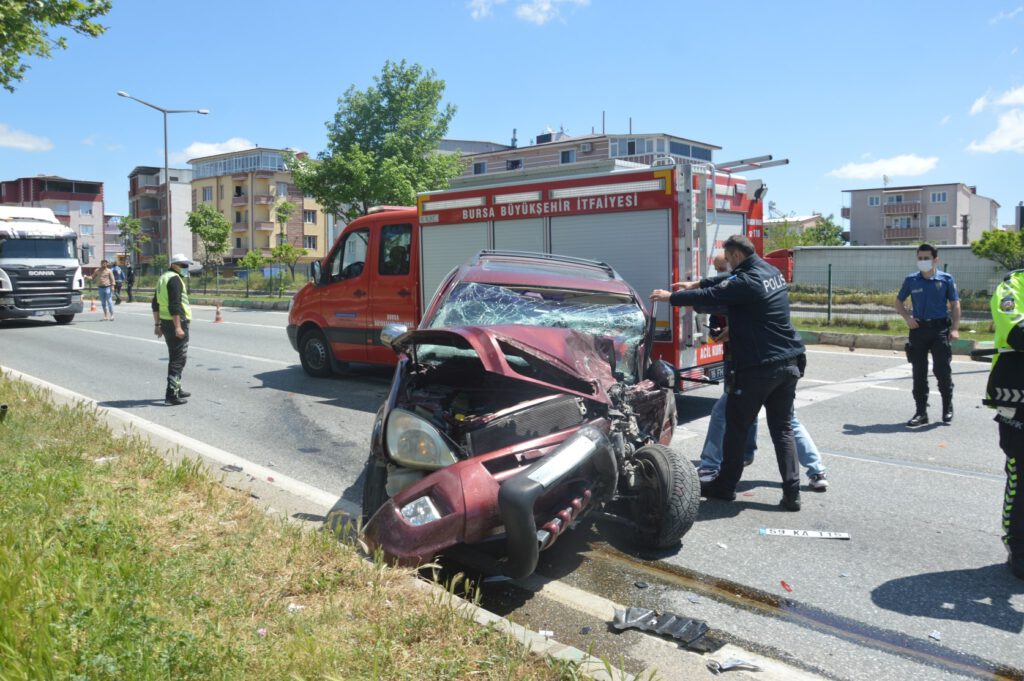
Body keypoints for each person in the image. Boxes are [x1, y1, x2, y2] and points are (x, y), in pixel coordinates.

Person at [652, 234, 806, 511]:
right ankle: (792, 492)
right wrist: (695, 282)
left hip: (759, 366)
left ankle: (724, 487)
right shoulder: (771, 271)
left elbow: (715, 294)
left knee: (736, 428)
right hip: (789, 362)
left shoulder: (746, 281)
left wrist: (672, 296)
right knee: (782, 429)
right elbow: (724, 285)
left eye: (728, 261)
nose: (728, 267)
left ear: (735, 256)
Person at [983, 271, 1024, 580]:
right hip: (1018, 395)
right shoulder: (1014, 285)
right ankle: (1019, 549)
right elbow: (1016, 332)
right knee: (1020, 476)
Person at [894, 244, 960, 427]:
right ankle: (921, 413)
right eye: (920, 258)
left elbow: (955, 304)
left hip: (939, 330)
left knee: (942, 371)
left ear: (935, 259)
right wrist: (907, 318)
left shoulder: (946, 279)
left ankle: (947, 407)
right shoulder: (911, 280)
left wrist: (955, 328)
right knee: (919, 373)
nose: (923, 261)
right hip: (918, 331)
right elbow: (898, 302)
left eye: (926, 258)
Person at [153, 253, 193, 406]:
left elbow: (155, 304)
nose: (186, 268)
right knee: (178, 359)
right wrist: (178, 327)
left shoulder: (163, 278)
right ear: (175, 265)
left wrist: (157, 325)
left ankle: (177, 388)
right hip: (177, 323)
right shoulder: (175, 280)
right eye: (184, 265)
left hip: (165, 322)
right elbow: (174, 305)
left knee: (175, 356)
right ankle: (171, 395)